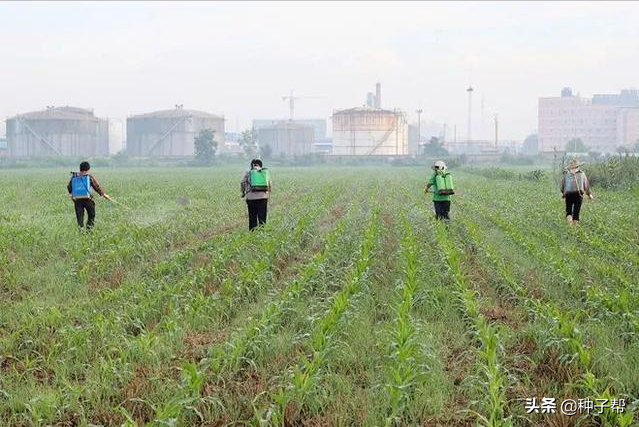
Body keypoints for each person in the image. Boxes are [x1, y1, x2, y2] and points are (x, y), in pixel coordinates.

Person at [67, 161, 111, 230]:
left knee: (80, 217)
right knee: (91, 215)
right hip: (88, 200)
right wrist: (103, 194)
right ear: (88, 169)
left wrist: (75, 192)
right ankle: (89, 230)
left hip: (77, 201)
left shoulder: (74, 177)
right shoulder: (88, 177)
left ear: (80, 168)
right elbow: (96, 187)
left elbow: (69, 189)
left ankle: (81, 230)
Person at [241, 159, 272, 230]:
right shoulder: (264, 172)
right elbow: (269, 185)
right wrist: (268, 195)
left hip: (251, 198)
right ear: (261, 165)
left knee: (252, 216)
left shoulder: (248, 172)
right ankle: (262, 231)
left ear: (252, 165)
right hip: (263, 197)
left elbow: (242, 183)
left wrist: (243, 192)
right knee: (262, 216)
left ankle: (252, 232)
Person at [561, 158, 594, 225]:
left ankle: (569, 225)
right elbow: (586, 184)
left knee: (569, 210)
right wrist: (589, 194)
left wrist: (564, 194)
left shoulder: (566, 174)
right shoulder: (582, 174)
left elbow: (562, 185)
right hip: (578, 194)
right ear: (578, 166)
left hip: (568, 194)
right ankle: (575, 227)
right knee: (576, 210)